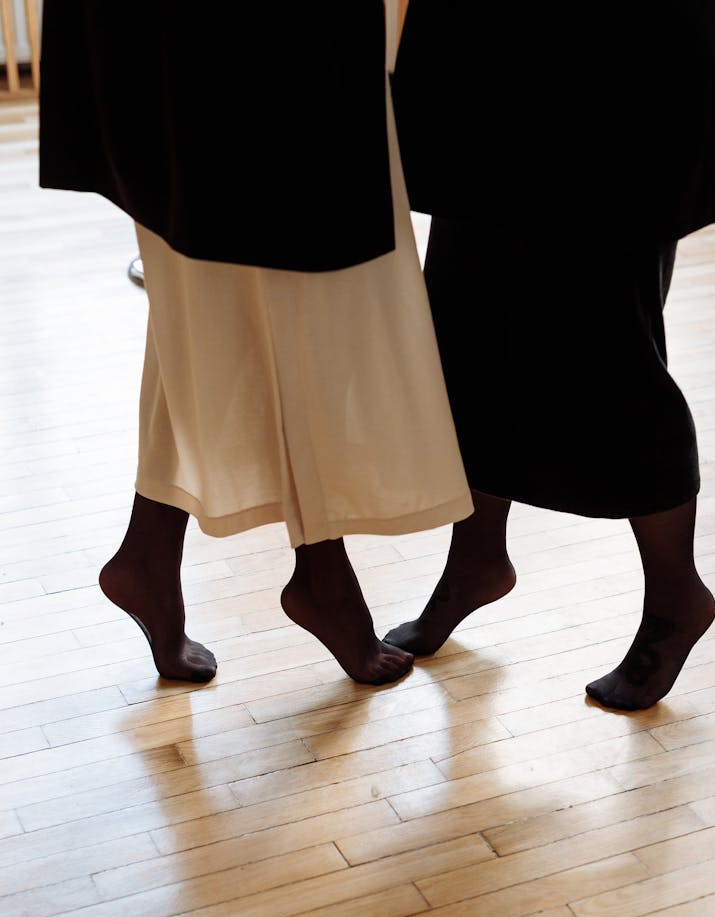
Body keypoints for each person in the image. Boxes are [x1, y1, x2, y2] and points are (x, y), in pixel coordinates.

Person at [39, 0, 472, 686]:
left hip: (212, 39)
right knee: (299, 292)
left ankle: (153, 554)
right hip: (241, 41)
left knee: (215, 298)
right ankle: (317, 571)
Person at [387, 0, 715, 709]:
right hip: (502, 52)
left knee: (611, 351)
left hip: (622, 69)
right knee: (467, 324)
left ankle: (676, 595)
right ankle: (474, 561)